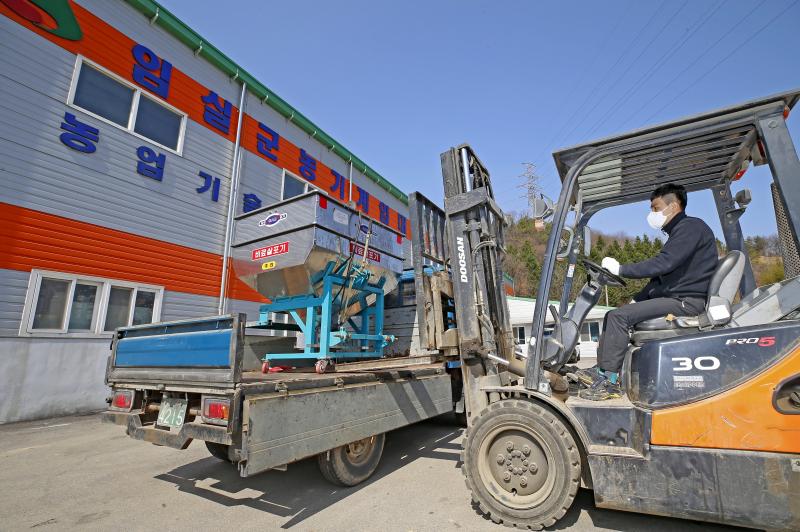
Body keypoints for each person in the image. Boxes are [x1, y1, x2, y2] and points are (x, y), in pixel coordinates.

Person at [577, 183, 718, 401]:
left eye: (655, 207)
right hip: (676, 298)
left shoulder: (690, 228)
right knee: (613, 315)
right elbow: (661, 279)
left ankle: (610, 384)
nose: (652, 214)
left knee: (618, 317)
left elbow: (663, 264)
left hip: (686, 302)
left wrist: (621, 269)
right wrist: (636, 300)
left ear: (673, 206)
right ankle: (602, 372)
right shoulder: (680, 233)